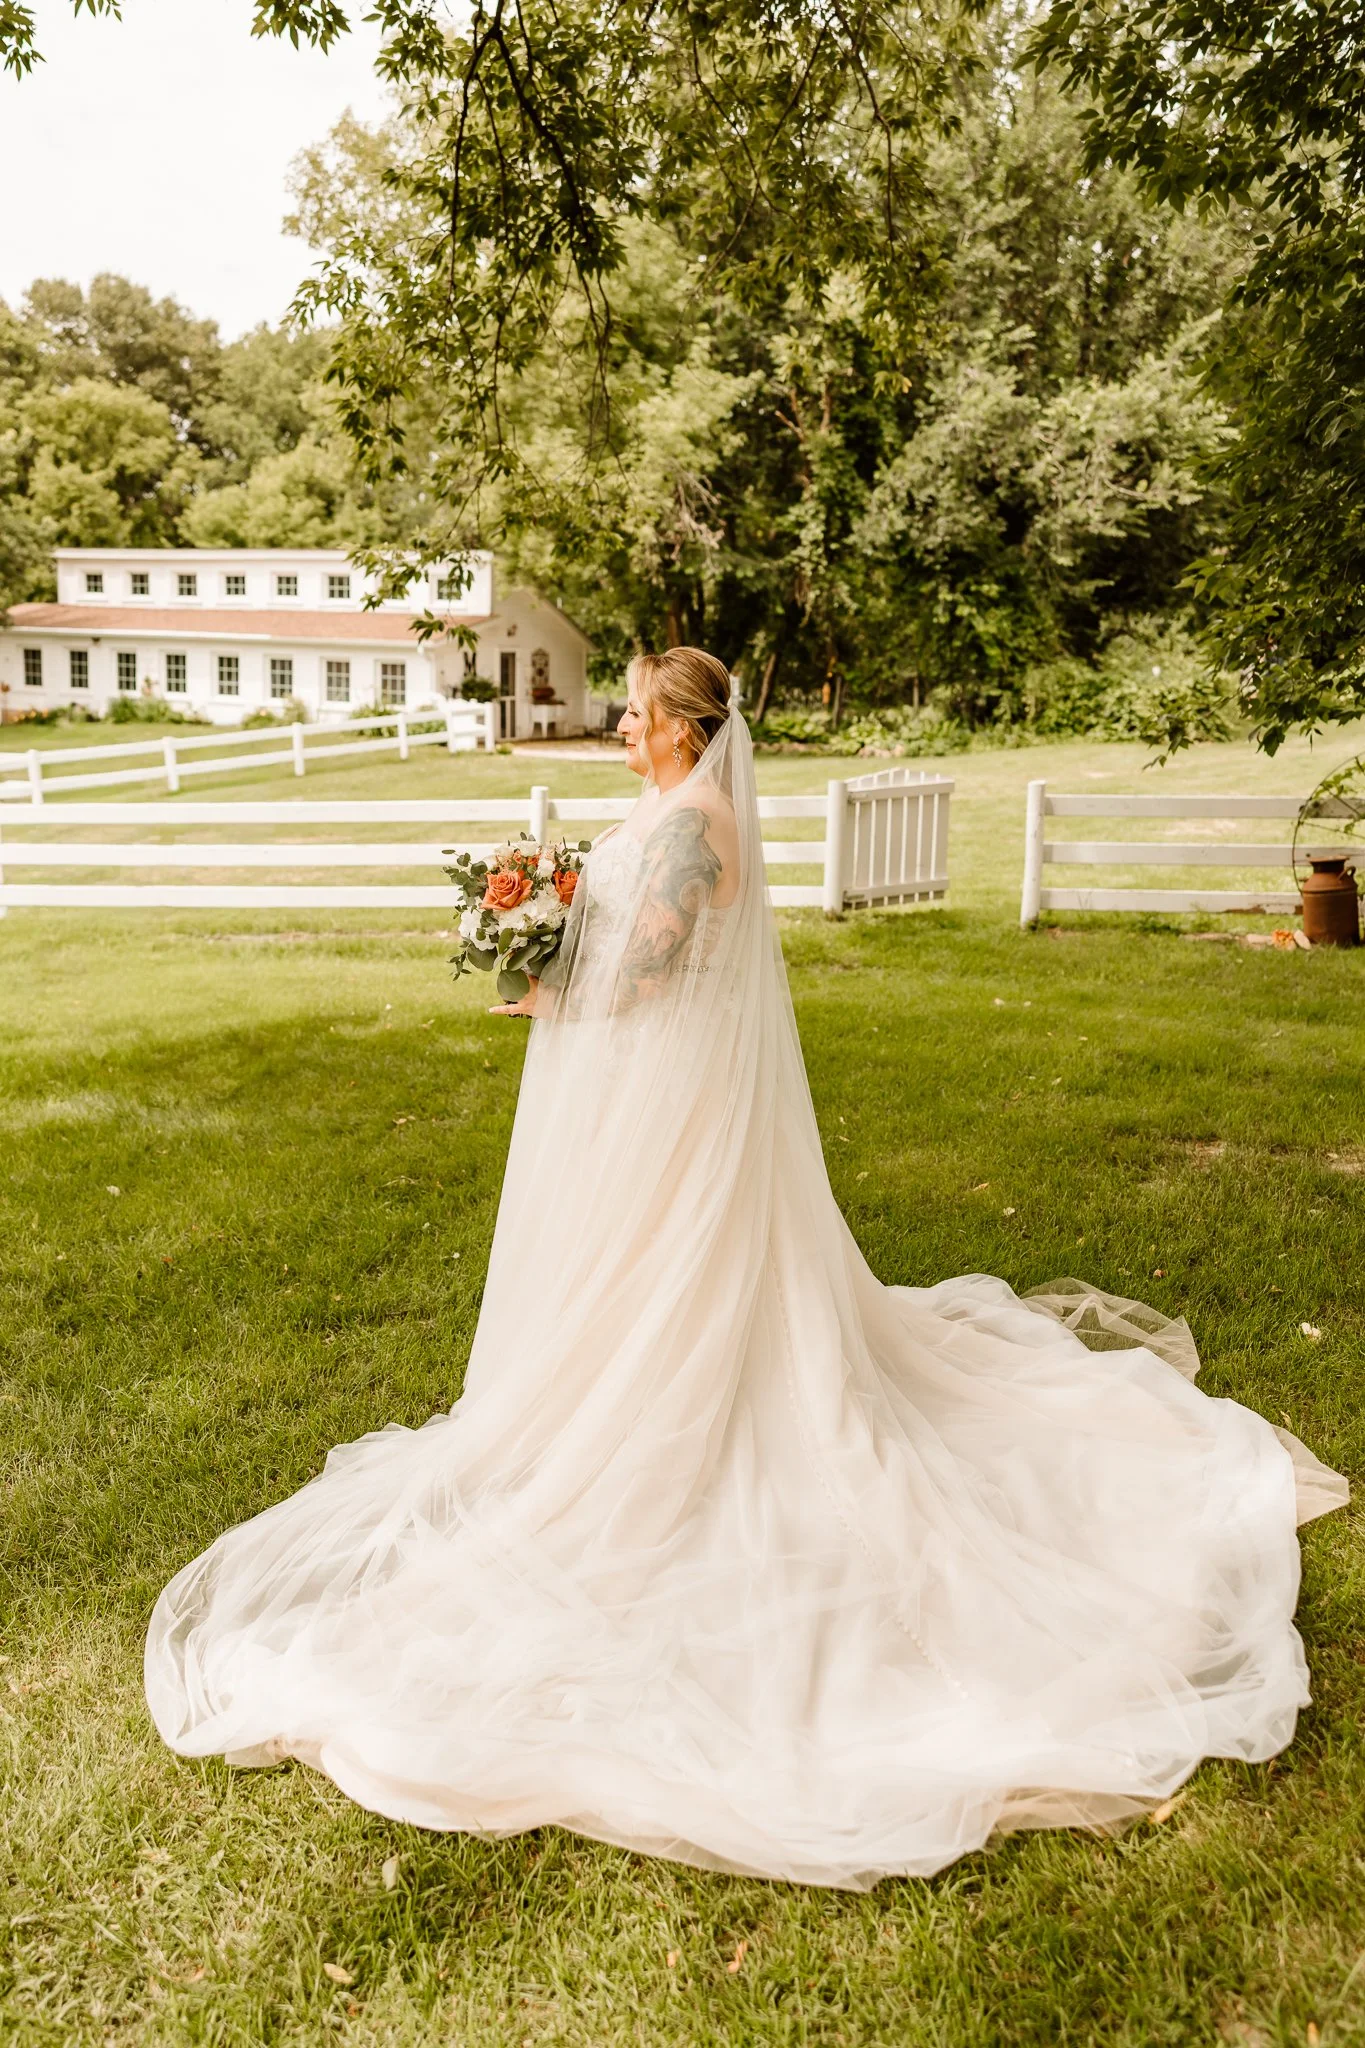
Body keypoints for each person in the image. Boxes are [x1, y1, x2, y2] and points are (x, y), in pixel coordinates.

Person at [146, 646, 1347, 1890]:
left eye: (632, 711)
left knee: (678, 1278)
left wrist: (540, 986)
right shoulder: (680, 809)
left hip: (664, 1094)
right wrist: (542, 923)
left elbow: (650, 960)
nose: (618, 726)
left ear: (681, 725)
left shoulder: (692, 822)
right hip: (661, 1086)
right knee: (639, 1278)